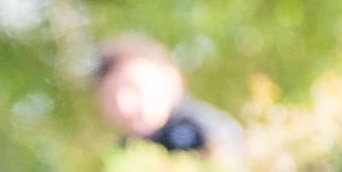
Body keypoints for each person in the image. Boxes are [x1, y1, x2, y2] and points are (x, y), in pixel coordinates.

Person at [91, 34, 242, 157]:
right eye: (111, 98)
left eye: (133, 88)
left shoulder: (210, 132)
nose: (124, 106)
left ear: (171, 78)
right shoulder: (123, 152)